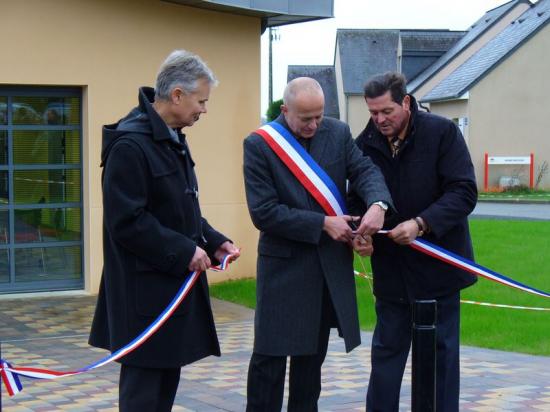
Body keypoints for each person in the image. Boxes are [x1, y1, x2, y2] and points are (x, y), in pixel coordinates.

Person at [88, 50, 240, 412]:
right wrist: (186, 250)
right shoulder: (130, 144)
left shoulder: (171, 136)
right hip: (143, 299)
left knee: (164, 393)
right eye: (201, 100)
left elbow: (180, 209)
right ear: (177, 95)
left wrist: (215, 242)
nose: (204, 109)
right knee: (143, 397)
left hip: (169, 292)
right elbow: (127, 222)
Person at [243, 77, 393, 411]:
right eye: (305, 118)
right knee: (268, 365)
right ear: (285, 111)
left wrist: (377, 205)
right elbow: (264, 212)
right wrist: (322, 223)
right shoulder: (260, 144)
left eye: (318, 116)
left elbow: (365, 171)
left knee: (310, 368)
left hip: (326, 271)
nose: (313, 125)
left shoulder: (337, 133)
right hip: (283, 270)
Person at [351, 72, 477, 412]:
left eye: (387, 111)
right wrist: (359, 234)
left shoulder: (442, 133)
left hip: (439, 271)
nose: (379, 120)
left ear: (406, 102)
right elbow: (354, 199)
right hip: (392, 274)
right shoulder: (365, 143)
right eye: (373, 113)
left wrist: (421, 224)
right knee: (386, 357)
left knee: (441, 359)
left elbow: (464, 192)